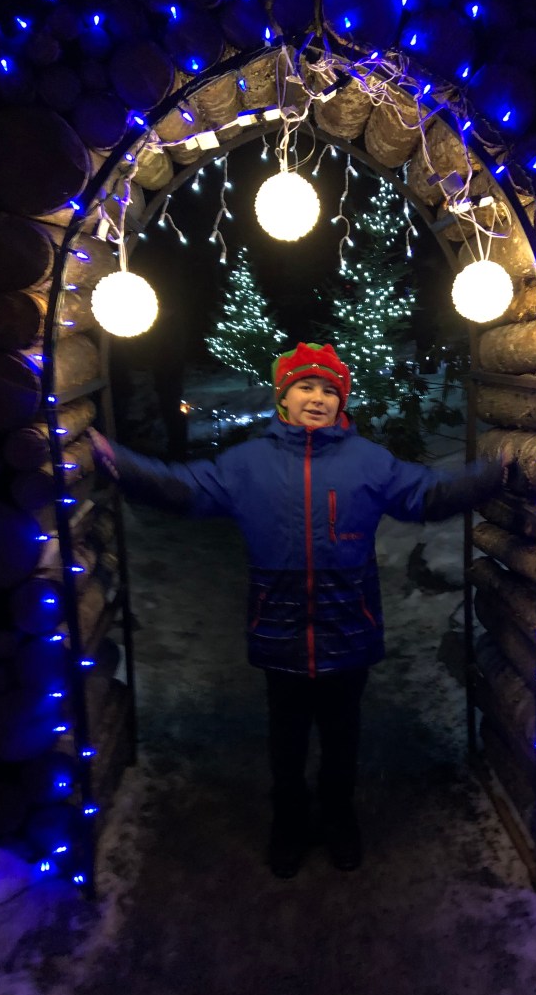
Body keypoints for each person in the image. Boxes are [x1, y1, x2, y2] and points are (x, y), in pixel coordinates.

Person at [89, 342, 508, 879]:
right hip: (279, 628)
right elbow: (182, 488)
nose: (317, 398)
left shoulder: (368, 461)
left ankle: (338, 818)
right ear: (283, 398)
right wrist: (117, 462)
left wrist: (493, 473)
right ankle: (288, 822)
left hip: (347, 625)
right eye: (305, 387)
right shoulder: (248, 464)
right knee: (286, 737)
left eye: (329, 390)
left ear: (341, 402)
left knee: (341, 735)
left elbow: (428, 494)